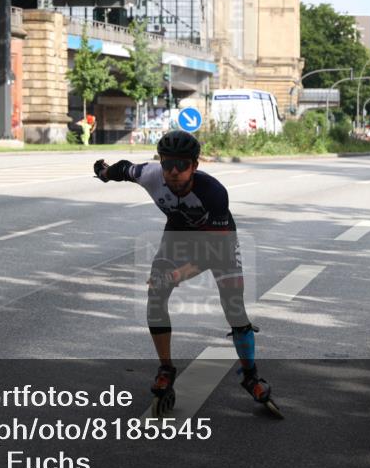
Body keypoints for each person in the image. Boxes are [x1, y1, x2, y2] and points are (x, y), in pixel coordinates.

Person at [93, 130, 280, 416]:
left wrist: (178, 275)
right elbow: (124, 170)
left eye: (182, 165)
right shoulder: (151, 174)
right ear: (161, 162)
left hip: (218, 244)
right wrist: (105, 172)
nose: (174, 172)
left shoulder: (214, 192)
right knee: (155, 292)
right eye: (168, 164)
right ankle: (166, 369)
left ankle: (250, 375)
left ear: (195, 166)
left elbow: (214, 254)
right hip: (178, 237)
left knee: (234, 308)